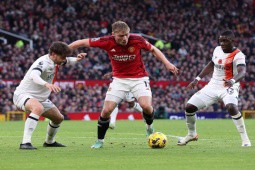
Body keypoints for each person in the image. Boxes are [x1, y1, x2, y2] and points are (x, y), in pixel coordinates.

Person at [69, 21, 179, 148]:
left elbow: (153, 49)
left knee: (146, 106)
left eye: (127, 34)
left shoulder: (137, 40)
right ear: (113, 34)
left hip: (139, 78)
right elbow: (81, 42)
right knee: (106, 111)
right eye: (121, 36)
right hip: (119, 80)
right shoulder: (106, 41)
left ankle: (149, 126)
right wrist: (65, 50)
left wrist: (167, 63)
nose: (125, 38)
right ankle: (100, 141)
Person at [177, 30, 251, 147]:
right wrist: (197, 78)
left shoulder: (238, 55)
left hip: (229, 85)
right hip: (212, 86)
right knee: (189, 107)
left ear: (232, 40)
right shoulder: (217, 49)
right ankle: (191, 134)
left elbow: (242, 72)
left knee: (231, 107)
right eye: (220, 40)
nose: (222, 43)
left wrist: (232, 80)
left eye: (225, 40)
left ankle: (245, 139)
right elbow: (211, 64)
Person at [13, 41, 86, 150]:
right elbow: (33, 75)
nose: (64, 59)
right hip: (23, 95)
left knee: (58, 118)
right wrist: (46, 84)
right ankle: (25, 143)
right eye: (62, 57)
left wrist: (77, 59)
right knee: (38, 108)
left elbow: (68, 61)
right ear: (53, 54)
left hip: (40, 98)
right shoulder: (43, 62)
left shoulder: (56, 60)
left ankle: (49, 142)